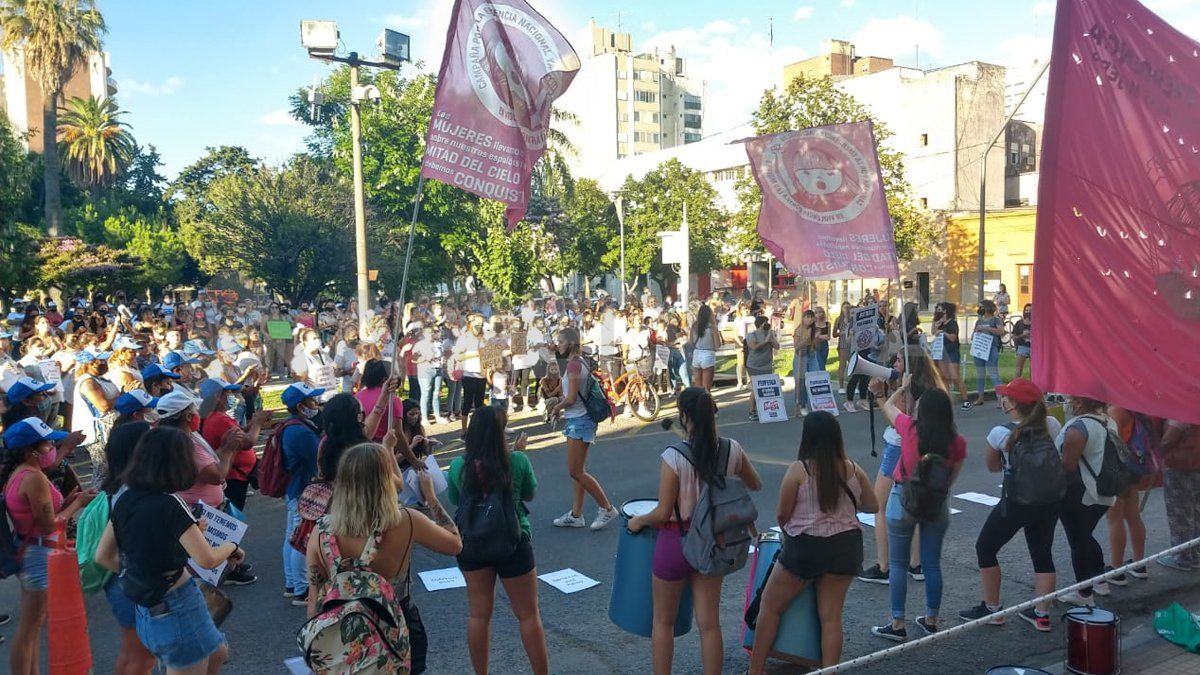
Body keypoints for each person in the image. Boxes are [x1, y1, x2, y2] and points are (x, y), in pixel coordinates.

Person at [627, 387, 762, 675]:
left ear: (684, 417)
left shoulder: (673, 457)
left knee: (663, 621)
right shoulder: (731, 449)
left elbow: (663, 512)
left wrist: (638, 521)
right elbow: (755, 484)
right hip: (716, 540)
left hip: (676, 542)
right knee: (709, 623)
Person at [94, 427, 244, 675]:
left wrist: (141, 573)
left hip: (150, 608)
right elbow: (207, 559)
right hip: (177, 605)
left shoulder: (125, 499)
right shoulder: (170, 503)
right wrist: (233, 547)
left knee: (217, 653)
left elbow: (103, 555)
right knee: (191, 661)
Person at [306, 442, 462, 675]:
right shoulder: (406, 520)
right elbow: (455, 544)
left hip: (343, 630)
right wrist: (430, 496)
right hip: (398, 624)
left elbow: (314, 598)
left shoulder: (322, 531)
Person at [749, 411, 877, 671]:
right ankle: (829, 670)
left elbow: (782, 514)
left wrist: (788, 533)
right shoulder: (853, 468)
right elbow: (872, 505)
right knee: (831, 618)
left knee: (770, 606)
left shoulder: (799, 470)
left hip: (806, 548)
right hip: (846, 547)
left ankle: (756, 669)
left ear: (807, 438)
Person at [447, 407, 547, 675]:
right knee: (528, 614)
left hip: (472, 543)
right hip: (513, 539)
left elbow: (457, 501)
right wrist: (521, 453)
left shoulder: (459, 465)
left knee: (479, 615)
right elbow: (530, 493)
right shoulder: (516, 461)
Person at [958, 378, 1062, 632]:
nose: (1002, 399)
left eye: (1006, 396)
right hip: (1049, 500)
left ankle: (993, 609)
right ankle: (1042, 615)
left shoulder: (1000, 433)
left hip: (1016, 502)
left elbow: (993, 467)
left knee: (986, 547)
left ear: (1013, 404)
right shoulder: (1052, 424)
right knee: (1042, 554)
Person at [872, 385, 967, 642]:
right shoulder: (957, 442)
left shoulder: (909, 428)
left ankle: (897, 622)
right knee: (932, 563)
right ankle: (931, 619)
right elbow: (951, 478)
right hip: (936, 503)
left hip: (903, 498)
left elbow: (889, 407)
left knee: (898, 564)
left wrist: (900, 389)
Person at [2, 418, 92, 675]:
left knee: (33, 626)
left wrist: (69, 500)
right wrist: (78, 504)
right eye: (47, 443)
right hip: (38, 554)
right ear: (32, 450)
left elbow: (40, 515)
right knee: (30, 629)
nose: (52, 446)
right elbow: (48, 525)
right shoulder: (33, 478)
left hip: (32, 550)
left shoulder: (21, 473)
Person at [857, 347, 943, 586]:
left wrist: (880, 395)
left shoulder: (909, 390)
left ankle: (884, 567)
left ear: (911, 364)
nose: (895, 363)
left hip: (898, 448)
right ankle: (917, 564)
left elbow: (897, 421)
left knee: (879, 506)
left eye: (900, 360)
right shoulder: (928, 388)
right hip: (919, 450)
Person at [97, 420, 157, 675]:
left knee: (133, 652)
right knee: (142, 657)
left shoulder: (118, 489)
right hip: (132, 582)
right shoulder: (130, 495)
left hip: (123, 581)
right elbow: (109, 553)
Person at [547, 327, 618, 531]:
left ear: (570, 343)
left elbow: (570, 399)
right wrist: (561, 404)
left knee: (576, 471)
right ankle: (576, 514)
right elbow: (572, 396)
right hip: (578, 418)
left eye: (560, 342)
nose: (557, 344)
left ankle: (606, 507)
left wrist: (556, 407)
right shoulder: (576, 362)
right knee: (578, 471)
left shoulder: (574, 365)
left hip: (581, 420)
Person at [1054, 396, 1119, 607]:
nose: (1067, 403)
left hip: (1080, 492)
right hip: (1104, 490)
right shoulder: (1108, 421)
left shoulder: (1077, 428)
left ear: (1080, 403)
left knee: (1078, 541)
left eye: (1070, 399)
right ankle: (1099, 579)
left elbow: (1067, 466)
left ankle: (1084, 593)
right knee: (1085, 536)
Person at [279, 383, 325, 605]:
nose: (316, 405)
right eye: (312, 401)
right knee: (300, 538)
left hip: (295, 489)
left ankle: (292, 583)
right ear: (300, 406)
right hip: (302, 490)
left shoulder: (293, 426)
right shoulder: (300, 431)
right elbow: (319, 459)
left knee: (292, 536)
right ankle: (301, 589)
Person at [1103, 405, 1158, 585]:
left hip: (1119, 470)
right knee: (1133, 516)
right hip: (1135, 467)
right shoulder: (1138, 410)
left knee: (1114, 518)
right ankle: (1138, 563)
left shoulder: (1115, 411)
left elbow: (1113, 445)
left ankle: (1116, 569)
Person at [1158, 419, 1200, 570]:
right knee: (1195, 512)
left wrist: (1157, 454)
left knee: (1179, 513)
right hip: (1196, 464)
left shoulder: (1182, 414)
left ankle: (1181, 557)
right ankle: (1194, 554)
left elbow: (1169, 439)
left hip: (1180, 467)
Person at [452, 314, 487, 436]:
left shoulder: (484, 337)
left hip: (482, 374)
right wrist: (474, 354)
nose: (480, 326)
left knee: (479, 403)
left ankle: (479, 427)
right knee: (467, 401)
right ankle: (464, 429)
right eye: (477, 324)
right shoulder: (465, 337)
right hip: (469, 374)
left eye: (482, 324)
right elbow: (458, 356)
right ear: (471, 324)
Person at [931, 303, 971, 407]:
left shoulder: (952, 323)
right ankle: (947, 399)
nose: (938, 312)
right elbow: (933, 332)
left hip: (952, 351)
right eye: (937, 310)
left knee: (955, 376)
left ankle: (966, 399)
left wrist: (943, 332)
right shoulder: (938, 322)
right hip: (942, 352)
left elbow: (953, 337)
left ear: (945, 311)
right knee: (944, 377)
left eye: (940, 310)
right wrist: (936, 324)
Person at [970, 300, 1006, 408]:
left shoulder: (995, 319)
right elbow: (973, 335)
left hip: (991, 348)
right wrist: (976, 333)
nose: (979, 309)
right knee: (980, 373)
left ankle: (1000, 397)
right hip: (979, 348)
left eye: (981, 307)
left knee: (993, 373)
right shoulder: (978, 321)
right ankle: (980, 396)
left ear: (987, 308)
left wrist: (986, 328)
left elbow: (1001, 331)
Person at [744, 316, 779, 422]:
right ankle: (752, 411)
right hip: (754, 366)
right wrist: (766, 341)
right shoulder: (752, 335)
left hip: (767, 365)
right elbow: (754, 347)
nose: (767, 324)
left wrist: (771, 338)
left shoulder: (770, 334)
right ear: (760, 324)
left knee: (766, 389)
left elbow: (777, 346)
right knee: (756, 388)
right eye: (765, 322)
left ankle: (766, 410)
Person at [413, 324, 446, 424]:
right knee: (426, 393)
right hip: (425, 370)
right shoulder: (419, 344)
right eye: (428, 333)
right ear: (423, 334)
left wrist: (443, 361)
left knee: (436, 393)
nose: (431, 334)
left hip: (438, 369)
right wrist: (425, 358)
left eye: (432, 332)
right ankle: (424, 417)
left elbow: (442, 355)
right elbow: (413, 359)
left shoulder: (438, 343)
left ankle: (437, 415)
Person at [689, 304, 722, 392]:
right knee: (706, 388)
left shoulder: (694, 326)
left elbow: (691, 342)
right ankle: (706, 403)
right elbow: (718, 344)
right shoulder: (712, 327)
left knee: (698, 387)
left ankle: (697, 404)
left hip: (697, 353)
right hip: (708, 354)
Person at [793, 309, 817, 416]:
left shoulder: (813, 329)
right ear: (803, 318)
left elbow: (814, 347)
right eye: (807, 317)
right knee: (800, 381)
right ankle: (801, 404)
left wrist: (814, 340)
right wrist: (805, 339)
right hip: (800, 355)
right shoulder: (799, 330)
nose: (809, 319)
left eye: (811, 317)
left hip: (810, 355)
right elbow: (796, 347)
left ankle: (816, 402)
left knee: (813, 379)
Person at [832, 302, 854, 394]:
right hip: (843, 345)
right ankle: (841, 386)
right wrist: (842, 333)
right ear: (841, 309)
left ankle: (853, 385)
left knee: (853, 366)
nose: (847, 310)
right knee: (842, 366)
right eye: (845, 308)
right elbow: (834, 334)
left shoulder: (853, 319)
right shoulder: (838, 320)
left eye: (848, 307)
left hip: (852, 346)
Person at [1011, 304, 1032, 379]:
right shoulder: (1019, 323)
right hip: (1022, 346)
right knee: (1018, 370)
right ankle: (1014, 387)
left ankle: (1032, 388)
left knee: (1033, 371)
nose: (1028, 312)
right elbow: (1013, 337)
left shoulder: (1037, 322)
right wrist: (1022, 335)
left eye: (1030, 310)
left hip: (1035, 348)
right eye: (1026, 310)